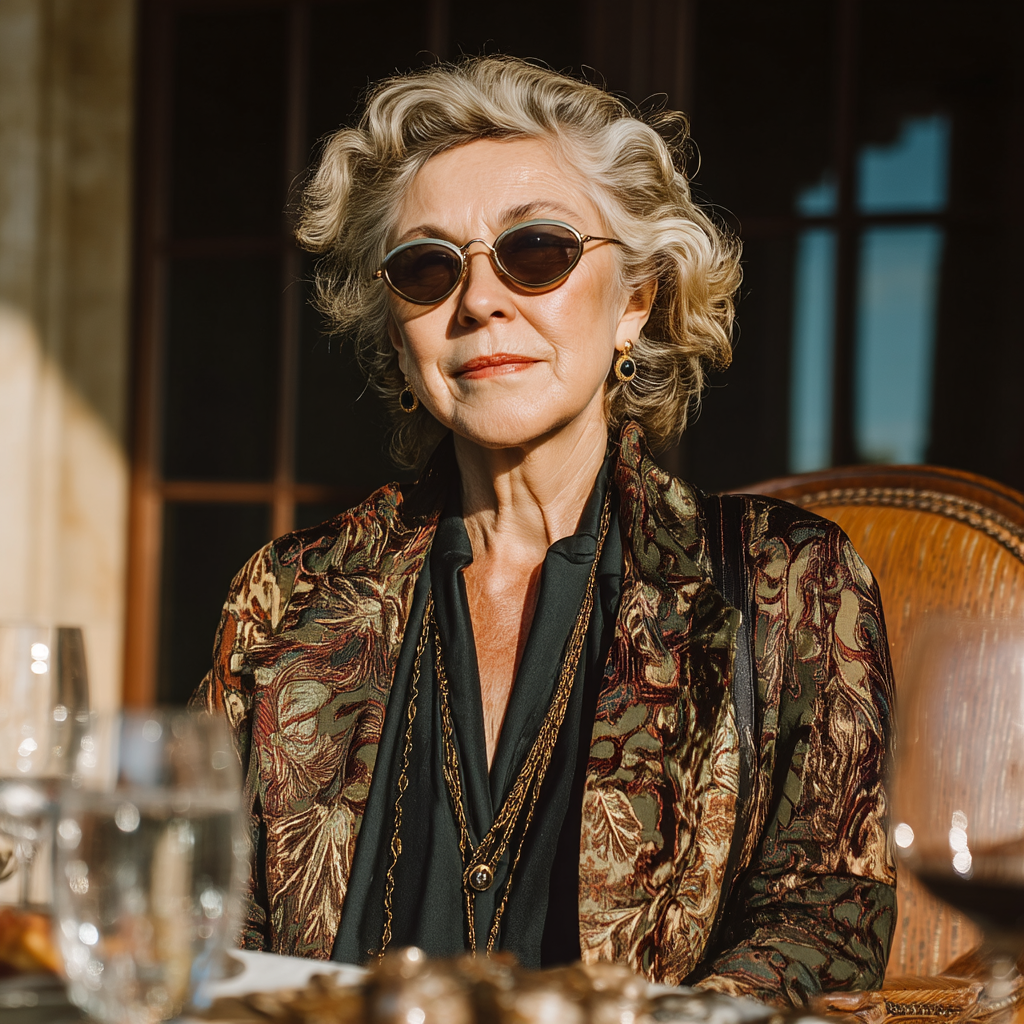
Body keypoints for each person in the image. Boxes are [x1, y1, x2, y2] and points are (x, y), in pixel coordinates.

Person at [191, 55, 896, 1006]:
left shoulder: (787, 583)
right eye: (427, 268)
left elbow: (827, 924)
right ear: (400, 330)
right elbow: (199, 919)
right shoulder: (284, 597)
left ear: (636, 300)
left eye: (537, 252)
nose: (479, 301)